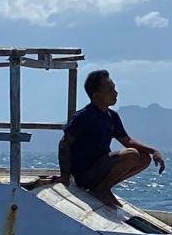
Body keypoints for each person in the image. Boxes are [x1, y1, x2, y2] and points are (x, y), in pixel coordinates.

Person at [58, 69, 165, 208]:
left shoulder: (111, 116)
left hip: (101, 168)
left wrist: (154, 151)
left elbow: (127, 141)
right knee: (132, 154)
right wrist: (64, 175)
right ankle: (100, 190)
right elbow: (64, 143)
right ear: (96, 96)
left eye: (114, 88)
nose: (115, 93)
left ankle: (104, 188)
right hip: (85, 173)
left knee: (144, 158)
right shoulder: (84, 116)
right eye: (110, 90)